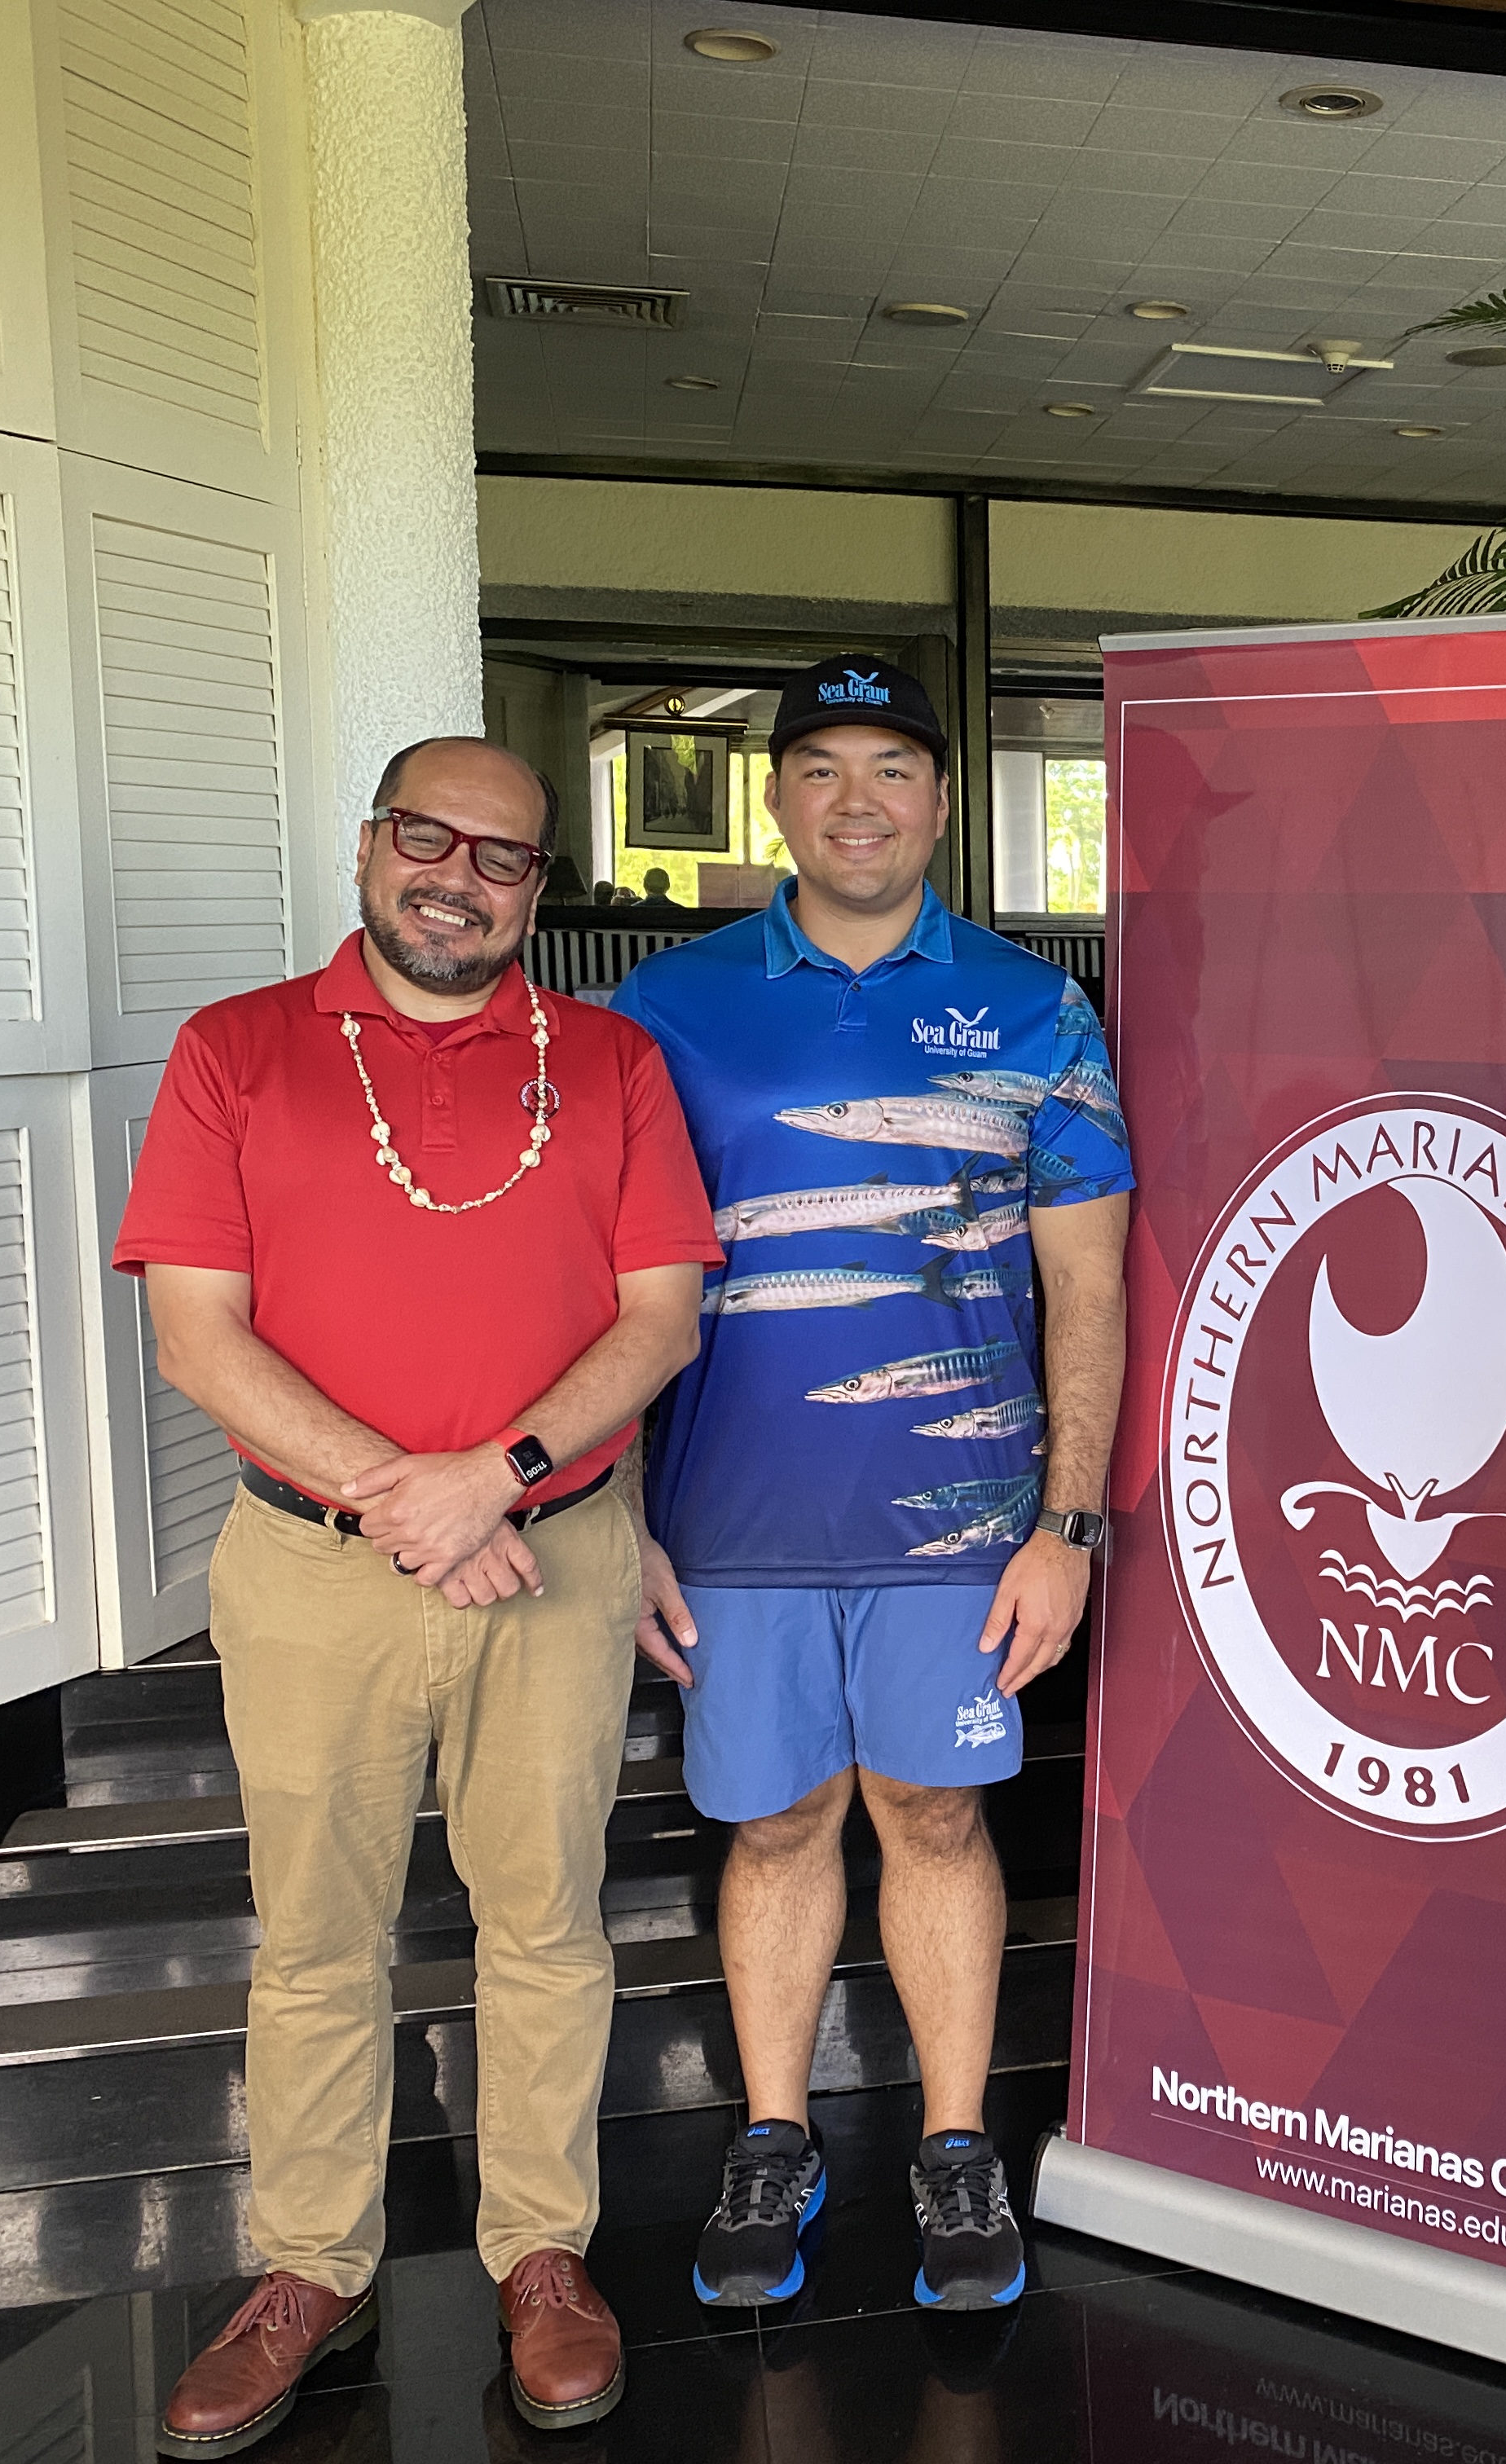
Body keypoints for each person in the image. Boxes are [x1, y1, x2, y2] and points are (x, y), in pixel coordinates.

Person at [118, 738, 723, 2452]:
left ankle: (542, 2250)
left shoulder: (609, 1061)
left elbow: (663, 1318)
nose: (456, 876)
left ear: (541, 888)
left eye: (501, 856)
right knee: (318, 1932)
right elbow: (196, 1334)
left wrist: (497, 1476)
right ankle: (314, 2265)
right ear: (372, 845)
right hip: (315, 1572)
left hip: (557, 1556)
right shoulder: (236, 1050)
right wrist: (420, 1499)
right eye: (426, 837)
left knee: (546, 1918)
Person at [608, 654, 1133, 2318]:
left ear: (942, 802)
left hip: (963, 1525)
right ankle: (774, 2135)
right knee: (774, 1826)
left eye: (893, 769)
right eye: (823, 768)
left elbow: (1091, 1288)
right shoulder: (662, 1010)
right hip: (725, 1518)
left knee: (936, 1814)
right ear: (776, 797)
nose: (858, 801)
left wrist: (1068, 1526)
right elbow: (602, 1290)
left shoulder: (1038, 1009)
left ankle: (958, 2147)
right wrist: (618, 1523)